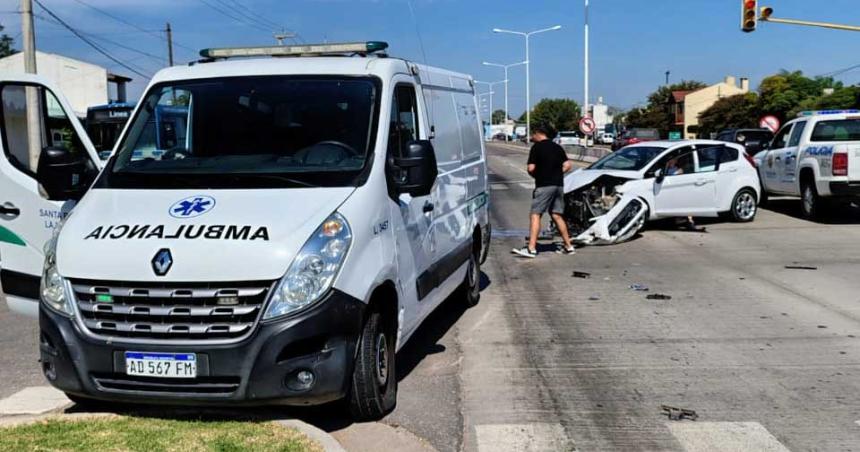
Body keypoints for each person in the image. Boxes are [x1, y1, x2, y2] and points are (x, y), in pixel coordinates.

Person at [512, 124, 576, 258]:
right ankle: (569, 246)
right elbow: (568, 165)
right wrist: (557, 173)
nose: (531, 137)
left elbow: (530, 168)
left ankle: (531, 248)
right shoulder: (557, 147)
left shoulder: (537, 147)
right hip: (558, 185)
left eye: (533, 134)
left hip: (544, 185)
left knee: (535, 215)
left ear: (538, 133)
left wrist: (539, 176)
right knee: (557, 215)